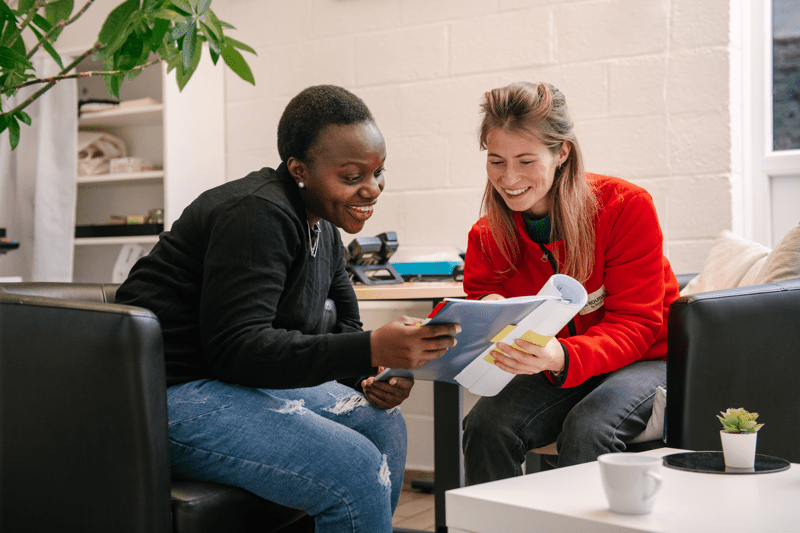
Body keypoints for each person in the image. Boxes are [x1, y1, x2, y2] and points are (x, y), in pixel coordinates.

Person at [115, 85, 459, 532]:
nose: (372, 189)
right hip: (167, 396)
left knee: (384, 423)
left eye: (378, 171)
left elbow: (345, 330)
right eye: (352, 176)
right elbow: (238, 350)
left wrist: (370, 375)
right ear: (299, 170)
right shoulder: (256, 214)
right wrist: (372, 346)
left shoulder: (325, 229)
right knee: (355, 469)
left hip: (231, 383)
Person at [461, 81, 680, 484]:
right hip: (560, 363)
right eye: (496, 161)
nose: (509, 179)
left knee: (589, 428)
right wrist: (488, 315)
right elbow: (481, 305)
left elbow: (637, 323)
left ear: (562, 152)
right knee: (485, 427)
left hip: (649, 359)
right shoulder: (486, 235)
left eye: (526, 161)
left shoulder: (625, 207)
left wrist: (561, 356)